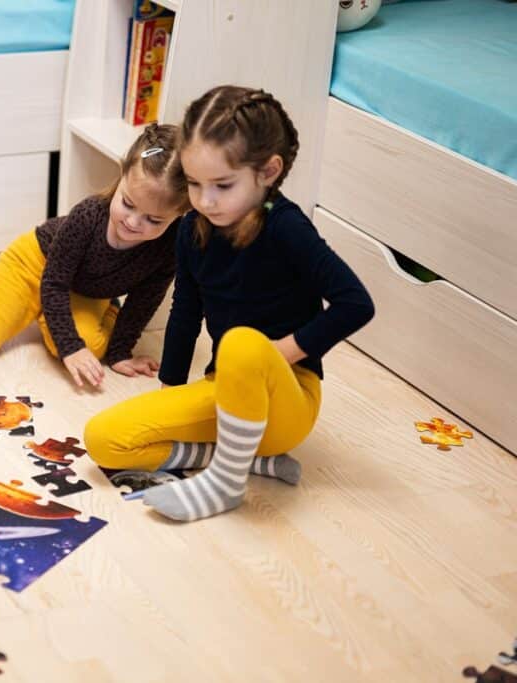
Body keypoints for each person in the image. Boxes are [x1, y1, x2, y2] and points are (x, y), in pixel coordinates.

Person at [84, 85, 375, 521]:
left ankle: (225, 484)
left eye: (222, 185)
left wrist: (280, 353)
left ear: (268, 172)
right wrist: (171, 395)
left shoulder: (286, 227)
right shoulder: (192, 229)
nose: (204, 200)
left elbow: (357, 303)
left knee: (241, 343)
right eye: (195, 184)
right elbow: (185, 312)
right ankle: (245, 462)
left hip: (286, 398)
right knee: (104, 438)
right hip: (224, 390)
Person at [0, 124, 188, 388]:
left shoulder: (168, 249)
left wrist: (121, 353)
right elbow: (54, 283)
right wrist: (70, 347)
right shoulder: (88, 217)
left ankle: (53, 314)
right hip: (34, 263)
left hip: (84, 289)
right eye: (127, 203)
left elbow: (143, 302)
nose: (134, 223)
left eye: (154, 220)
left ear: (179, 216)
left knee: (95, 349)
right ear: (121, 176)